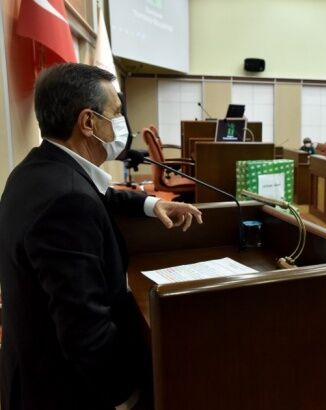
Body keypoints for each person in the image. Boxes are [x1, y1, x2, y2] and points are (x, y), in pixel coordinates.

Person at [0, 63, 204, 409]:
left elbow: (99, 194)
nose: (122, 123)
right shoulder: (67, 202)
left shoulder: (37, 170)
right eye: (116, 112)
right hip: (63, 389)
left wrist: (153, 204)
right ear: (88, 122)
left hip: (27, 367)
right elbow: (84, 329)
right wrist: (127, 397)